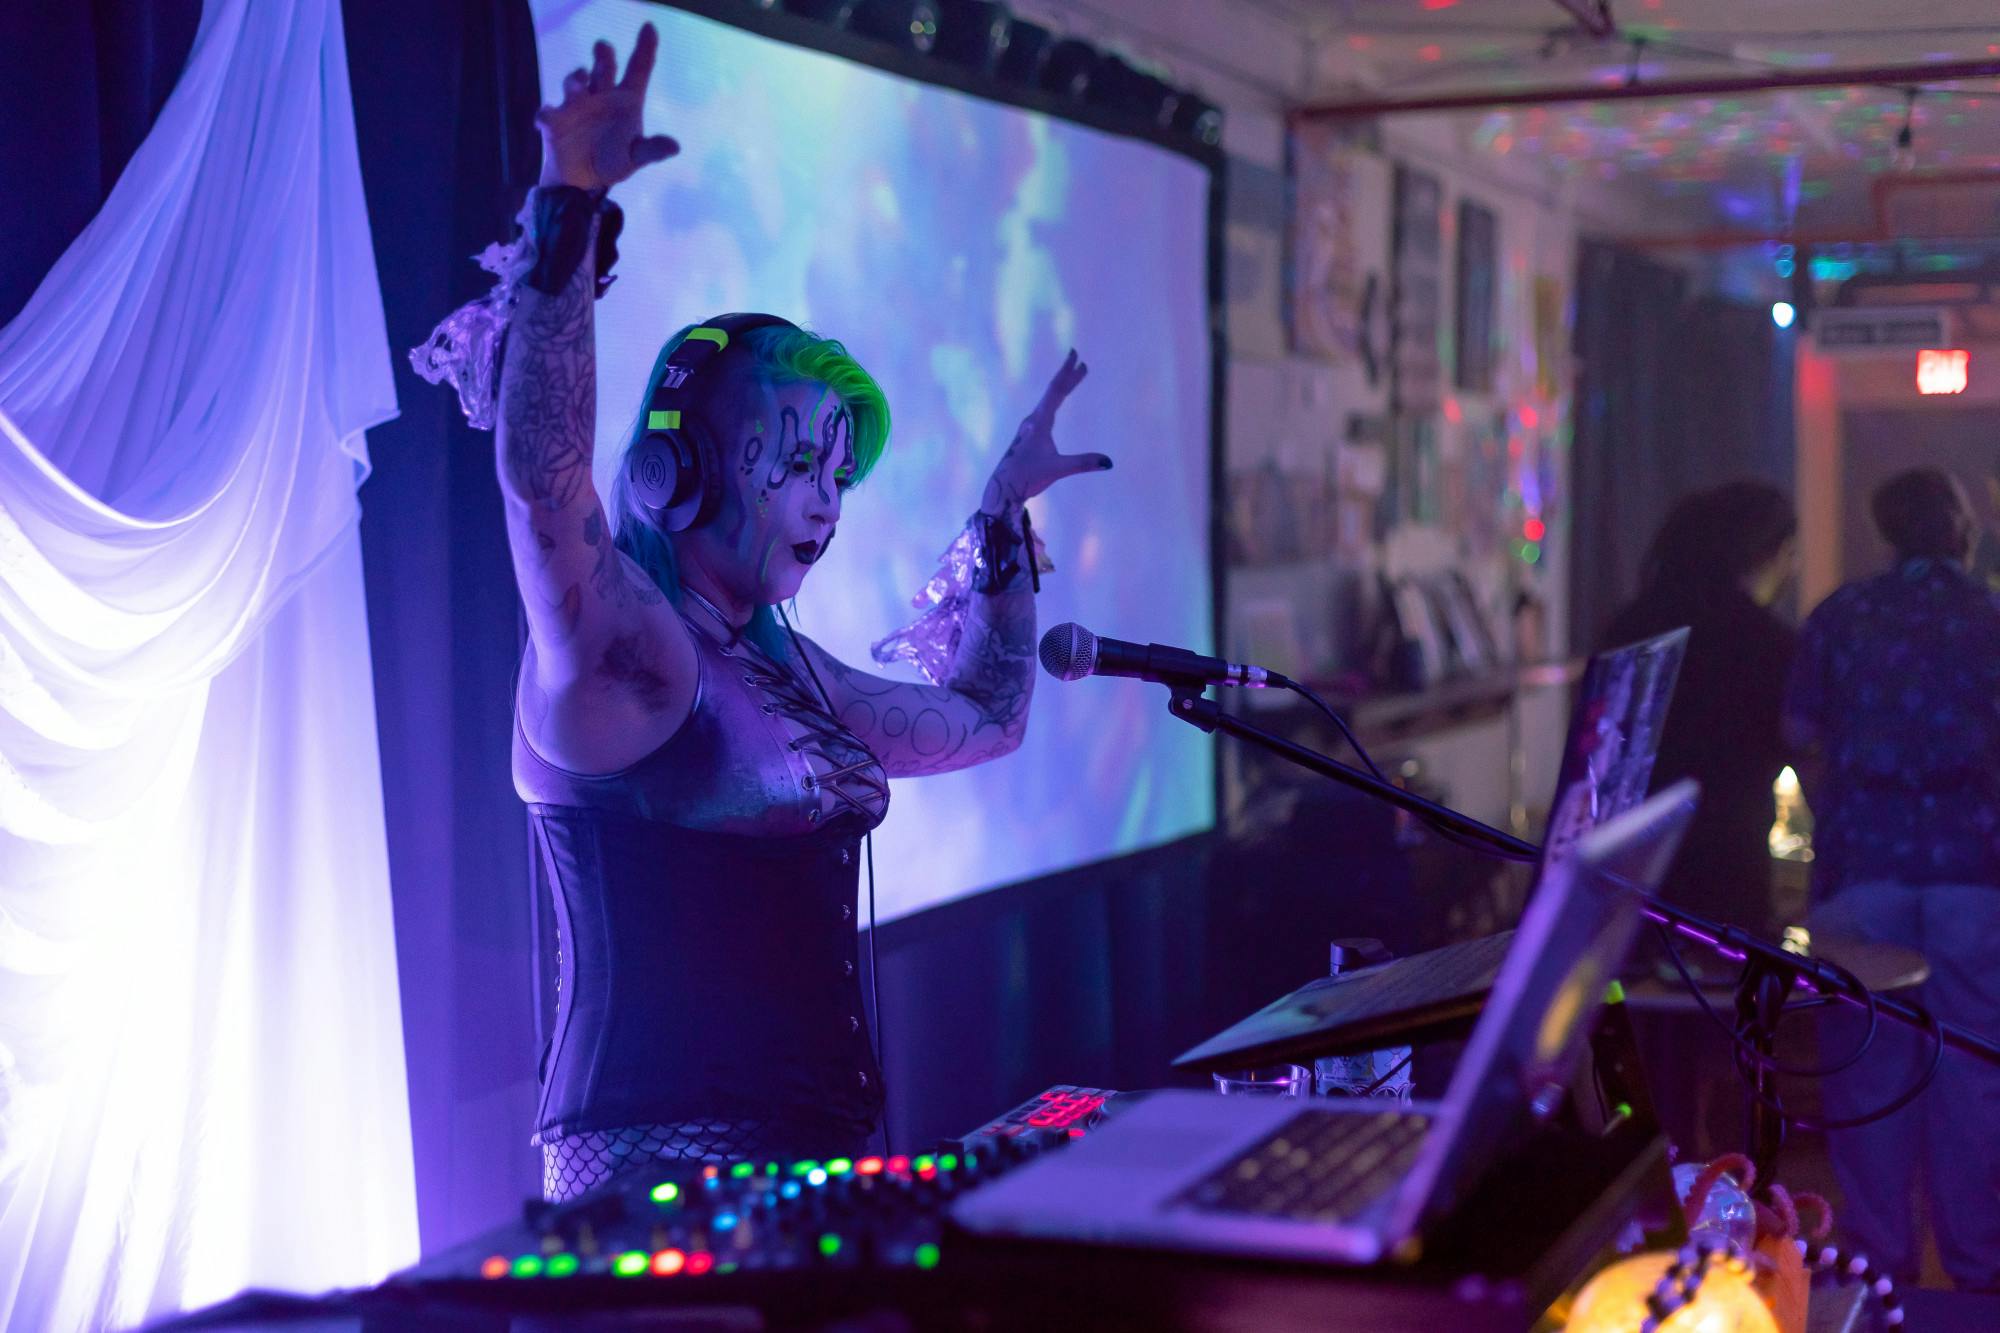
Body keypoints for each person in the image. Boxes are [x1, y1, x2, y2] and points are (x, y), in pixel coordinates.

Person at [422, 26, 1113, 1201]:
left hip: (812, 1169)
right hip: (651, 1190)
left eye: (839, 474)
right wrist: (570, 204)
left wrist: (1001, 515)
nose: (825, 501)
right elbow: (542, 475)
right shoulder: (623, 654)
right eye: (795, 461)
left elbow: (988, 717)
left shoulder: (789, 674)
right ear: (675, 472)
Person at [1785, 467, 2000, 1289]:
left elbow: (1801, 734)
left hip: (1860, 872)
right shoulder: (1989, 617)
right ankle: (1979, 1282)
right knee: (1972, 1079)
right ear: (1962, 529)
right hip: (1976, 873)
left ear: (1884, 531)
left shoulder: (1842, 617)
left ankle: (1884, 1281)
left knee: (1869, 1082)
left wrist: (1845, 803)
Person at [1603, 480, 1799, 930]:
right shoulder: (1770, 642)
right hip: (1730, 865)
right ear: (1775, 552)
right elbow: (1796, 746)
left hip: (1628, 863)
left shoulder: (1631, 626)